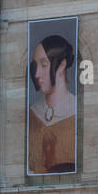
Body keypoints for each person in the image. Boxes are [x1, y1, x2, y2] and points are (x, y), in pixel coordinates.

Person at [27, 33, 77, 174]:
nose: (37, 74)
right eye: (35, 66)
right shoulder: (31, 114)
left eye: (44, 65)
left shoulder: (78, 110)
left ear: (61, 65)